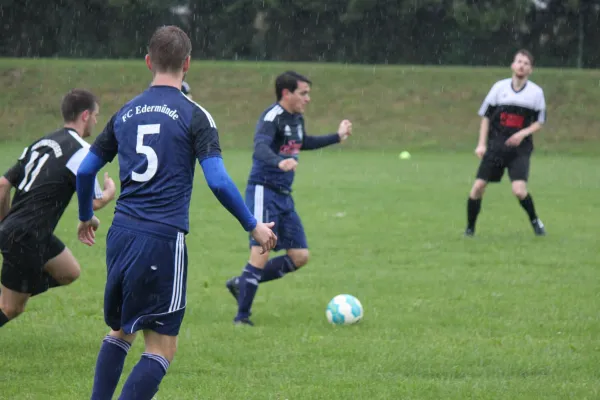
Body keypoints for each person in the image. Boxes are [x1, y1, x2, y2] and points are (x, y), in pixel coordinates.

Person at [75, 25, 277, 400]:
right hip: (162, 240)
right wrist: (253, 225)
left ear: (149, 61)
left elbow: (86, 170)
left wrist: (86, 214)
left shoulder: (125, 112)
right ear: (188, 63)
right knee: (162, 347)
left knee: (121, 330)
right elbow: (217, 180)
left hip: (120, 234)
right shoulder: (195, 115)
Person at [225, 70, 352, 326]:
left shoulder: (297, 119)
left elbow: (304, 142)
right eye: (303, 93)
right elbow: (260, 147)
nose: (308, 99)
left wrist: (336, 137)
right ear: (286, 93)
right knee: (261, 253)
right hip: (263, 190)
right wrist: (278, 161)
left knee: (300, 256)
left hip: (284, 196)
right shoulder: (272, 117)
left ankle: (242, 283)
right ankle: (242, 318)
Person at [0, 89, 115, 328]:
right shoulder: (82, 150)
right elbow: (93, 202)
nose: (96, 120)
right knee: (11, 308)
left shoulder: (42, 142)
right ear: (85, 115)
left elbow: (2, 185)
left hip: (26, 231)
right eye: (95, 115)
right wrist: (109, 193)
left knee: (68, 271)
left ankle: (16, 287)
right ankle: (13, 292)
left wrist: (5, 224)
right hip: (27, 235)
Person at [465, 49, 547, 237]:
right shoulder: (499, 88)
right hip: (496, 146)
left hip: (520, 150)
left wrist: (522, 134)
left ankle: (536, 222)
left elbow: (539, 122)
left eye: (526, 63)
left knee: (519, 190)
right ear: (512, 65)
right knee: (478, 187)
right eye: (519, 61)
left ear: (530, 70)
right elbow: (485, 117)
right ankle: (470, 229)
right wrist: (481, 144)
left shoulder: (536, 93)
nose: (521, 65)